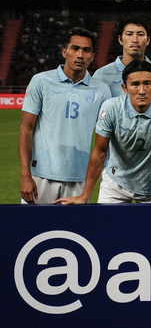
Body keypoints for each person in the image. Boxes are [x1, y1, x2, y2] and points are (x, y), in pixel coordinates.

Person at [55, 60, 151, 204]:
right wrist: (84, 196)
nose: (142, 90)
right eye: (135, 84)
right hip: (115, 185)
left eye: (147, 83)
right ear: (125, 88)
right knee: (108, 228)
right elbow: (99, 152)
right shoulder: (111, 108)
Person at [19, 27, 111, 204]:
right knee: (35, 230)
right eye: (75, 48)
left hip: (79, 177)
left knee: (72, 232)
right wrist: (25, 175)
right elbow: (26, 129)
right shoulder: (41, 81)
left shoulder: (102, 90)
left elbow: (105, 139)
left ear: (92, 56)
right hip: (40, 176)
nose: (80, 55)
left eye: (86, 50)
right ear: (64, 52)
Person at [94, 15, 151, 97]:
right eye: (129, 34)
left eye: (140, 34)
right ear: (120, 39)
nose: (135, 40)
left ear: (148, 40)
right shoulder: (102, 75)